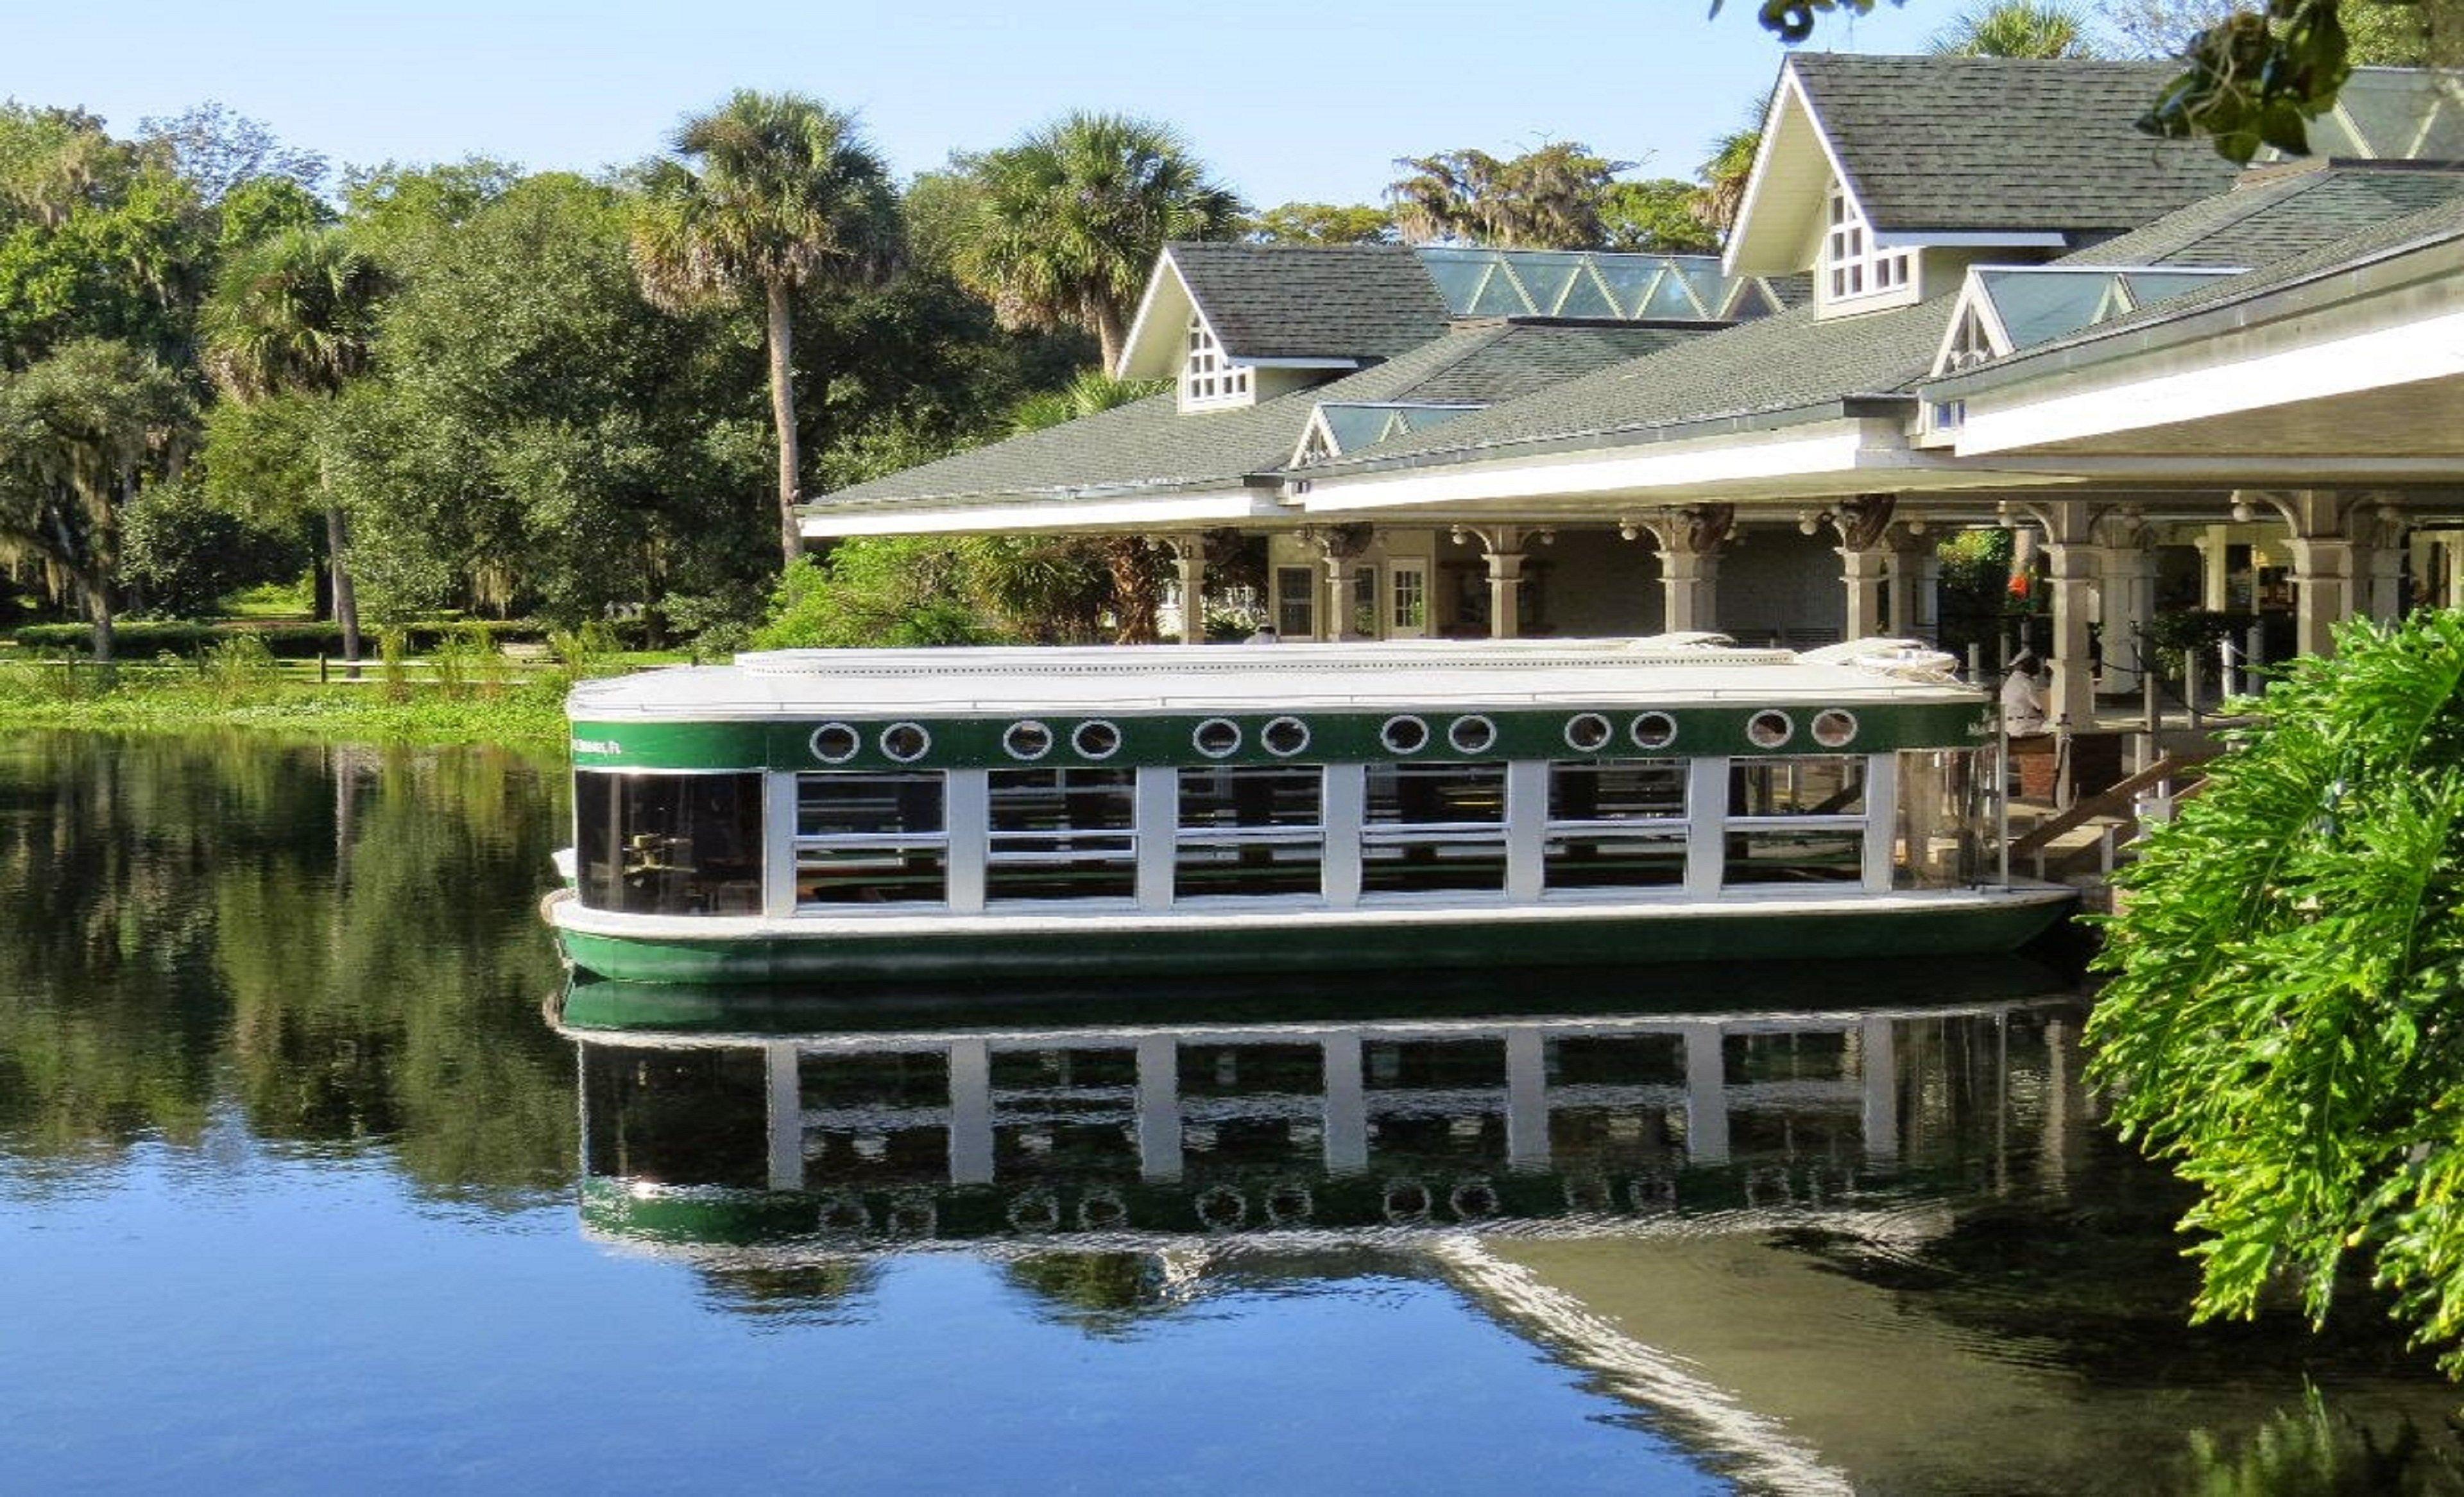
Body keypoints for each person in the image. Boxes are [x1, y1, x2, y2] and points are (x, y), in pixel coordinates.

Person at [2000, 651, 2048, 737]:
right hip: (2028, 726)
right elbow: (2041, 706)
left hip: (2011, 726)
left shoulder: (2010, 682)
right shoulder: (2027, 683)